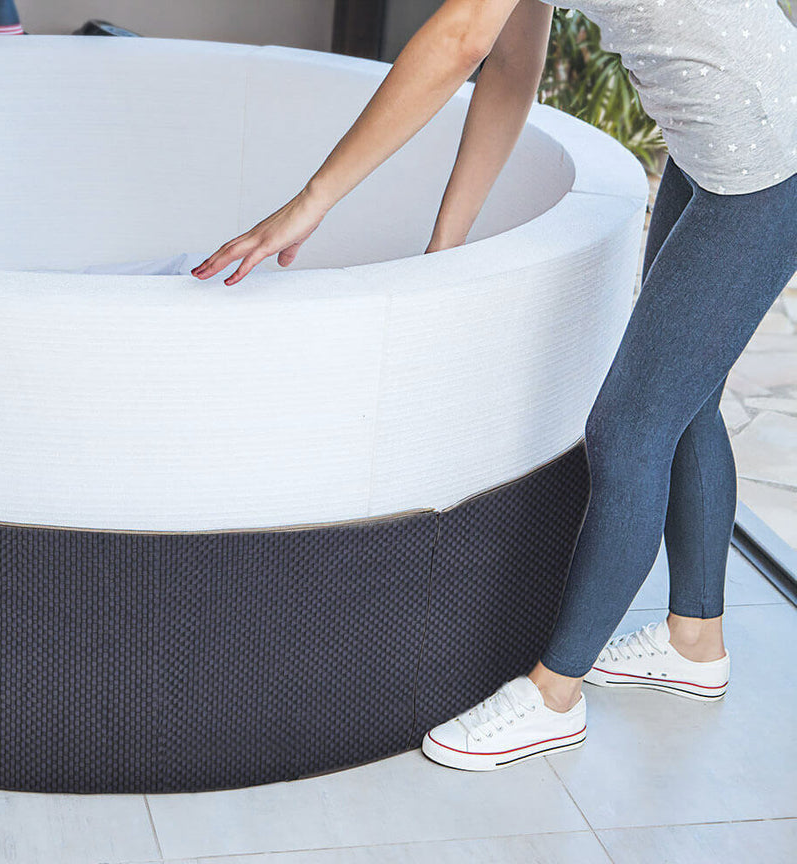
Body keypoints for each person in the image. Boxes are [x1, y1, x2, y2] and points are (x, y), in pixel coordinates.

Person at [191, 0, 797, 771]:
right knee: (688, 400)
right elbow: (509, 65)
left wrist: (312, 201)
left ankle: (553, 696)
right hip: (715, 139)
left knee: (629, 432)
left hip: (766, 159)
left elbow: (458, 43)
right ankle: (695, 642)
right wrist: (446, 244)